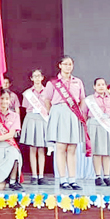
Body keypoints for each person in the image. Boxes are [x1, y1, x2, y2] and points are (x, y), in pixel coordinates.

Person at [42, 56, 88, 190]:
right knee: (61, 147)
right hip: (59, 112)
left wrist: (81, 113)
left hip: (73, 113)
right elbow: (47, 100)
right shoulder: (53, 83)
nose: (68, 66)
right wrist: (54, 114)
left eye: (70, 64)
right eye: (65, 64)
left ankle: (73, 179)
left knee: (72, 148)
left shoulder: (77, 82)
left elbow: (82, 99)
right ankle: (63, 179)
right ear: (60, 65)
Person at [81, 78, 110, 187]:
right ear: (94, 87)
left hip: (107, 126)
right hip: (94, 126)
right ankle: (98, 176)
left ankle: (106, 176)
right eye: (98, 84)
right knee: (96, 152)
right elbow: (84, 114)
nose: (101, 86)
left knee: (107, 152)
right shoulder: (89, 100)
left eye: (103, 84)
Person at [20, 69, 50, 185]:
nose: (37, 78)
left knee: (41, 148)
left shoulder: (47, 92)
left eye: (39, 76)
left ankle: (41, 176)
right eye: (34, 76)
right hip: (31, 118)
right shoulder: (27, 93)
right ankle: (34, 175)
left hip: (43, 119)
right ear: (31, 78)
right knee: (32, 148)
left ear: (42, 77)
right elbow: (25, 108)